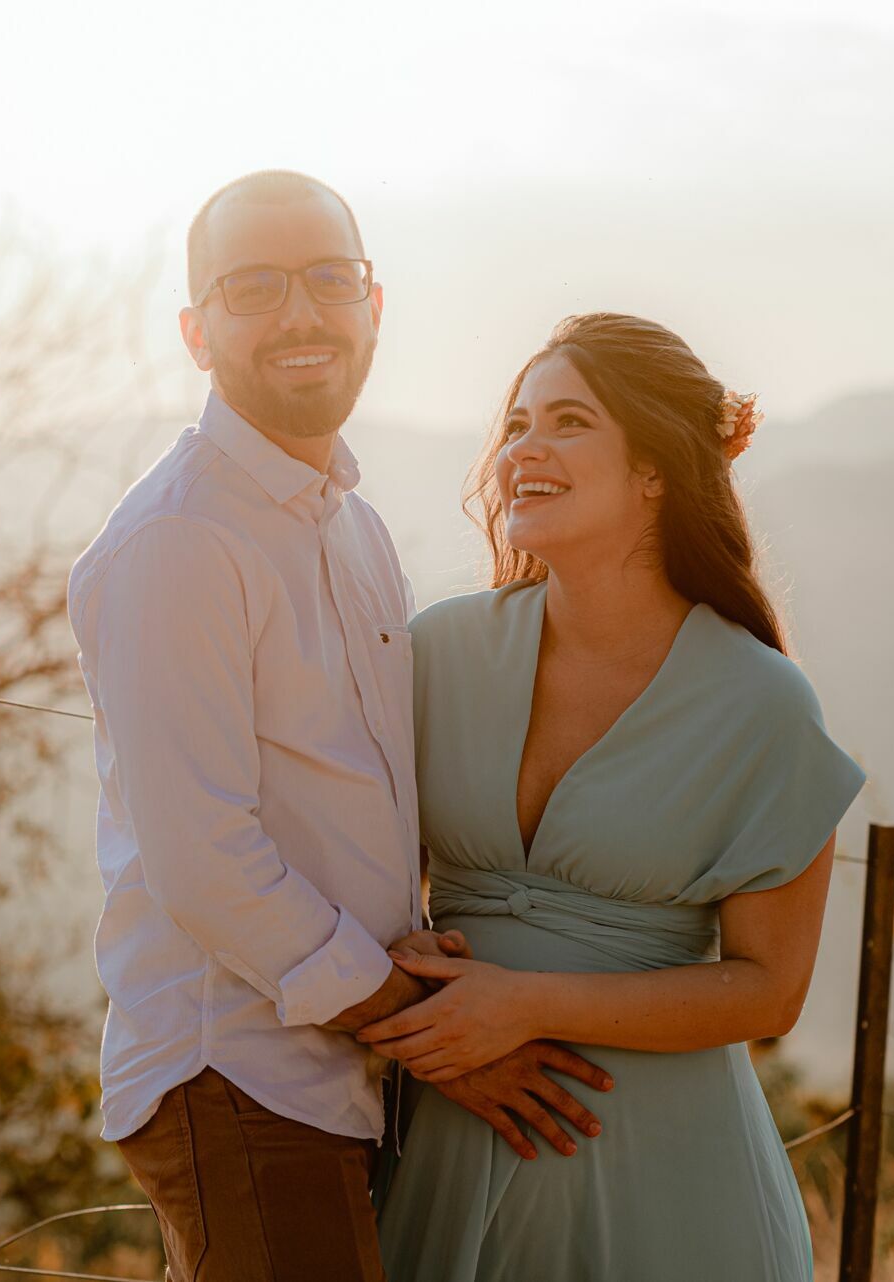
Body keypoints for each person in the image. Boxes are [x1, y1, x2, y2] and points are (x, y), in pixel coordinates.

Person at [66, 172, 611, 1282]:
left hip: (342, 1070)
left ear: (373, 302)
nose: (302, 314)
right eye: (254, 286)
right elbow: (206, 865)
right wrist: (424, 1027)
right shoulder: (181, 543)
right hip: (241, 1072)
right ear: (196, 329)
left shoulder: (355, 530)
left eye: (329, 278)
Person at [361, 313, 866, 1281]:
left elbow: (770, 989)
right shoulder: (436, 653)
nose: (525, 449)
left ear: (656, 468)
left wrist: (526, 1003)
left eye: (568, 421)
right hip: (446, 1141)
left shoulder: (759, 700)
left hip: (667, 1182)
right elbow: (355, 863)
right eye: (515, 425)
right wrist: (407, 950)